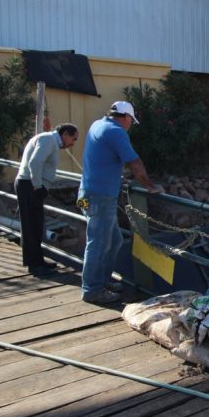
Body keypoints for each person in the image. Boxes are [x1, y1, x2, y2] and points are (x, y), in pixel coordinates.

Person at [78, 101, 163, 304]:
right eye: (131, 121)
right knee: (98, 243)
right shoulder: (116, 131)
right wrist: (151, 186)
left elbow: (103, 159)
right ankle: (92, 289)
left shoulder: (97, 124)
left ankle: (102, 280)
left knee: (114, 240)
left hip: (85, 195)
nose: (130, 125)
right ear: (125, 117)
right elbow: (135, 164)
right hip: (100, 198)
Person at [15, 123, 79, 274]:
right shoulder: (49, 140)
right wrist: (38, 186)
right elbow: (35, 162)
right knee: (31, 226)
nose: (73, 143)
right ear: (65, 134)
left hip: (30, 185)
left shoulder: (49, 140)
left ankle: (38, 261)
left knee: (36, 225)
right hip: (30, 186)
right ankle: (35, 265)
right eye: (73, 139)